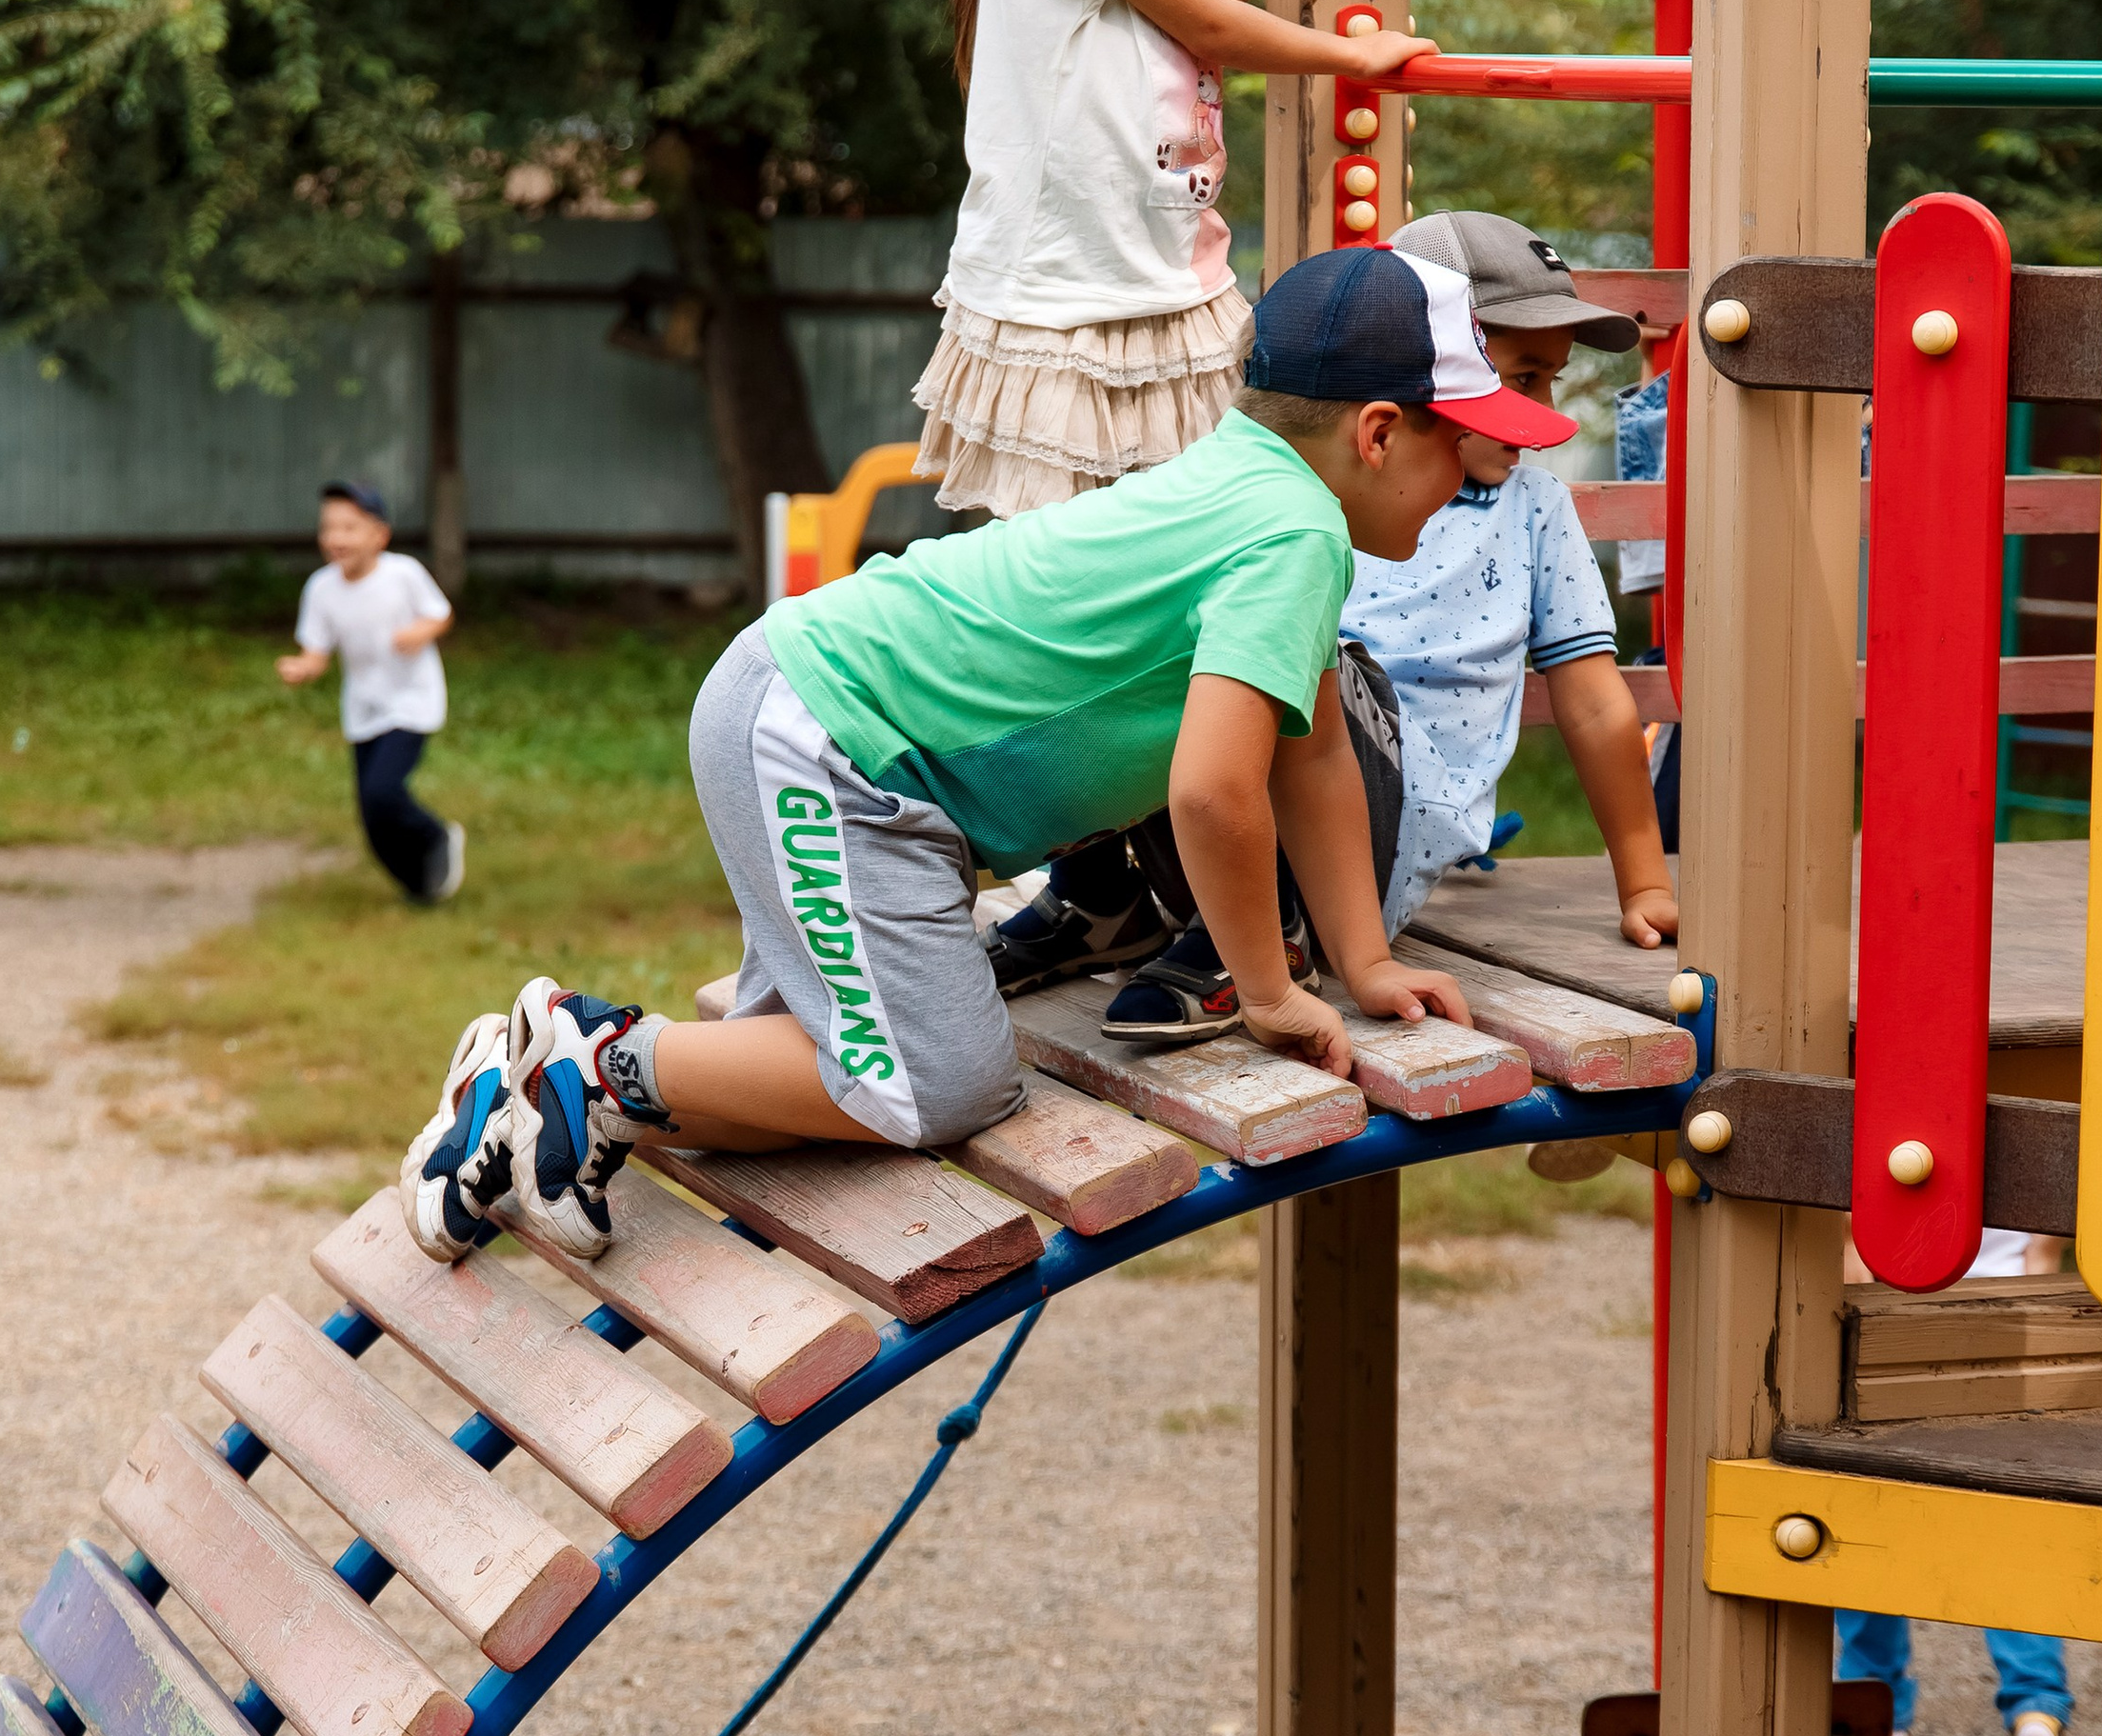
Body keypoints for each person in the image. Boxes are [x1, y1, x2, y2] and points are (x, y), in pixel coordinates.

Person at [395, 245, 1523, 1268]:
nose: (1481, 469)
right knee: (938, 1085)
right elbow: (1216, 792)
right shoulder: (1294, 534)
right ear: (1377, 432)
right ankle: (585, 1067)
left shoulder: (1251, 489)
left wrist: (1364, 961)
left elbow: (1312, 757)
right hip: (834, 745)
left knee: (796, 1076)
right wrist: (1270, 994)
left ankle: (518, 1099)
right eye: (1463, 438)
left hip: (843, 741)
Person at [921, 0, 1434, 999]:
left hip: (1166, 303)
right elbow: (1205, 15)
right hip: (1075, 324)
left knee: (1194, 608)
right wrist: (1353, 53)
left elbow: (1195, 21)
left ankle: (1200, 903)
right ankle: (1123, 890)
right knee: (1097, 613)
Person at [1314, 208, 1675, 952]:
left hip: (1383, 829)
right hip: (1268, 796)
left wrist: (1645, 884)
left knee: (1318, 670)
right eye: (1522, 378)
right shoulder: (1331, 486)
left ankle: (1245, 927)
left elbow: (1598, 707)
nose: (1538, 413)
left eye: (1548, 381)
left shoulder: (1532, 508)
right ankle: (1112, 900)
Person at [1835, 1227, 2078, 1736]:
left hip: (1895, 1330)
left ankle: (1878, 1713)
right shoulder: (2048, 1131)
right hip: (2003, 1333)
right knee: (2011, 1533)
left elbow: (1852, 1244)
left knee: (1873, 1514)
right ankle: (2036, 1720)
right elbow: (2041, 1257)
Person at [278, 481, 463, 905]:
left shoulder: (404, 574)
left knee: (383, 792)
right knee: (373, 822)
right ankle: (421, 888)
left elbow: (441, 615)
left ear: (379, 535)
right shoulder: (321, 589)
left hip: (413, 701)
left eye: (350, 527)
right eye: (329, 528)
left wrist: (418, 632)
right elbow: (317, 650)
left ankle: (436, 837)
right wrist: (303, 667)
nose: (337, 538)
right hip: (363, 708)